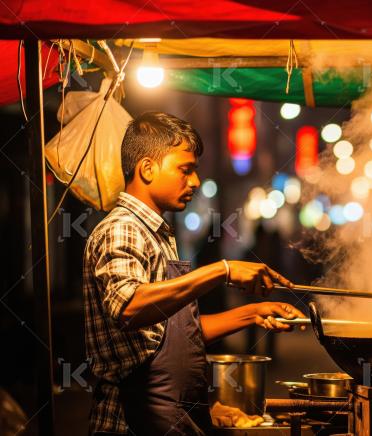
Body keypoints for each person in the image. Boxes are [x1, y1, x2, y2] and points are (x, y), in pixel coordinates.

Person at [83, 112, 303, 435]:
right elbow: (129, 307)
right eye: (185, 170)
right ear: (147, 169)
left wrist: (252, 314)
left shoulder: (157, 234)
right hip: (128, 424)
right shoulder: (123, 228)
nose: (195, 182)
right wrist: (222, 271)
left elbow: (171, 338)